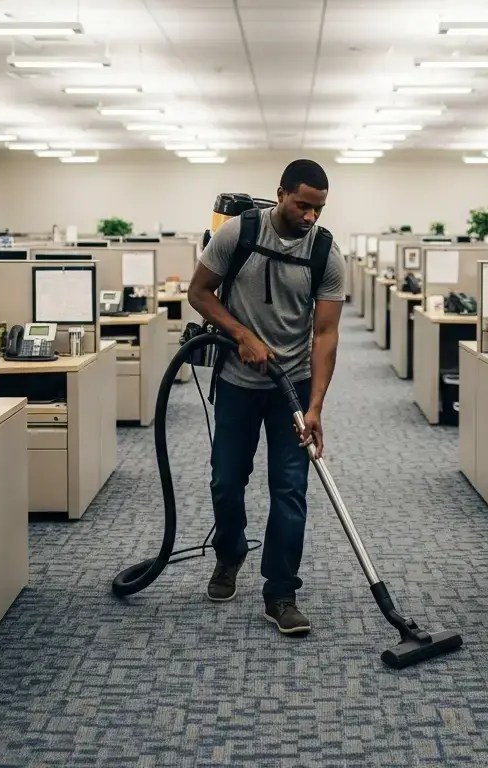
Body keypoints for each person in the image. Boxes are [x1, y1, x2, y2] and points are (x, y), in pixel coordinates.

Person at [187, 159, 345, 636]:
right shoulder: (238, 233)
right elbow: (199, 292)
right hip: (237, 382)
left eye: (318, 208)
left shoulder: (326, 252)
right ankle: (230, 552)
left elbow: (326, 334)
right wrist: (240, 334)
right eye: (302, 205)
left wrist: (315, 406)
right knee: (225, 480)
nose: (310, 216)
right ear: (280, 194)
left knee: (290, 489)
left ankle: (281, 592)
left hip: (291, 387)